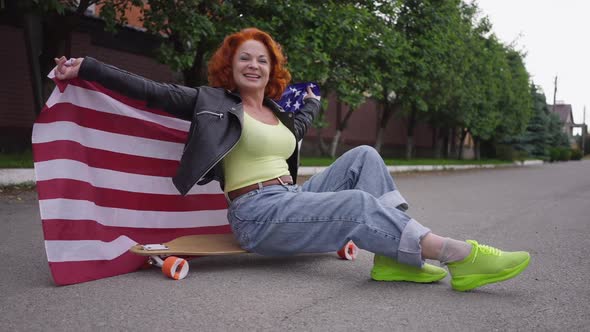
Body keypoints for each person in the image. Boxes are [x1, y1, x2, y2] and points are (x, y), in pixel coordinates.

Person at [53, 27, 530, 291]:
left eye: (261, 58)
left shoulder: (280, 116)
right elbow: (152, 91)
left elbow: (305, 118)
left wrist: (313, 101)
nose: (253, 64)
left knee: (362, 154)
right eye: (244, 58)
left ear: (271, 67)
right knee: (357, 205)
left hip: (291, 198)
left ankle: (395, 259)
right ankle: (457, 255)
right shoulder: (211, 102)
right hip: (255, 214)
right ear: (231, 65)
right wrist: (88, 67)